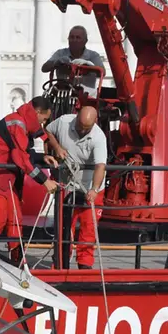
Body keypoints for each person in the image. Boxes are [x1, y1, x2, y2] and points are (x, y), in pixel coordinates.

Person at [0, 96, 62, 263]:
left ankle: (17, 258)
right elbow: (20, 157)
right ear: (37, 113)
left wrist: (43, 157)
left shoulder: (19, 123)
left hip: (5, 178)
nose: (42, 124)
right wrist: (45, 180)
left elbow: (22, 153)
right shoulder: (16, 124)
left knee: (15, 218)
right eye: (43, 120)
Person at [46, 106, 107, 270]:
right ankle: (60, 262)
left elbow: (100, 166)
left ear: (94, 123)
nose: (80, 130)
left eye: (85, 128)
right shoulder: (64, 122)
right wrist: (57, 147)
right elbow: (47, 131)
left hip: (90, 187)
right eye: (79, 125)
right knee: (64, 226)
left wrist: (94, 189)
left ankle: (85, 266)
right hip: (67, 185)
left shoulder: (99, 138)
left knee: (88, 228)